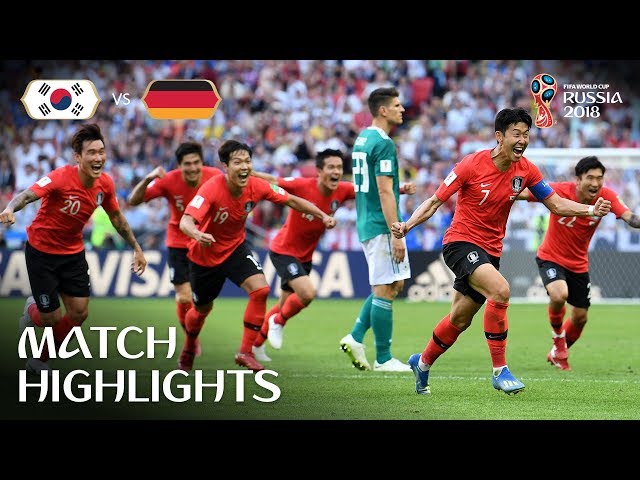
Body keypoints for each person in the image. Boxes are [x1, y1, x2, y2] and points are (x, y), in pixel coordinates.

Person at [390, 107, 612, 395]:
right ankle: (500, 371)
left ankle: (422, 362)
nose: (523, 140)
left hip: (491, 252)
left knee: (460, 318)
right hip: (460, 243)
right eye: (516, 134)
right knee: (501, 291)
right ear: (499, 136)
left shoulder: (527, 170)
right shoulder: (471, 164)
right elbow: (434, 201)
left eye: (526, 134)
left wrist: (591, 210)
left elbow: (556, 204)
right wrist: (407, 225)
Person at [177, 139, 336, 372]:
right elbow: (186, 221)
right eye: (237, 162)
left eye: (248, 161)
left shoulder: (257, 185)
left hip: (235, 249)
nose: (244, 167)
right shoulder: (212, 188)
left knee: (260, 290)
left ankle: (245, 352)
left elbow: (291, 200)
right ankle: (189, 347)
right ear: (225, 166)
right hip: (204, 256)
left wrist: (322, 215)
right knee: (201, 310)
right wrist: (197, 234)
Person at [0, 123, 147, 374]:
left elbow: (117, 218)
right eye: (91, 152)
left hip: (72, 253)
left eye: (101, 151)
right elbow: (27, 195)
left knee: (79, 313)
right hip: (42, 252)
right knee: (50, 319)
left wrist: (136, 247)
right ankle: (31, 310)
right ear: (78, 157)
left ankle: (39, 360)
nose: (98, 157)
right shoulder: (60, 177)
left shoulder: (105, 185)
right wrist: (10, 208)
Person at [250, 148, 416, 362]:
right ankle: (278, 322)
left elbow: (370, 190)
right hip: (284, 250)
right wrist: (248, 172)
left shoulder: (342, 189)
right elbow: (274, 180)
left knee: (284, 305)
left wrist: (401, 189)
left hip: (305, 256)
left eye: (339, 167)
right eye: (331, 167)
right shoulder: (302, 185)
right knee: (307, 293)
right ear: (319, 171)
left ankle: (256, 345)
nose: (336, 171)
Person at [517, 155, 639, 370]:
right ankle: (558, 343)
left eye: (599, 178)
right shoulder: (559, 191)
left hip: (578, 264)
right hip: (550, 257)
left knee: (580, 317)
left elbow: (631, 218)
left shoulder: (606, 197)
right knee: (559, 294)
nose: (595, 183)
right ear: (578, 179)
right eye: (590, 177)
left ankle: (556, 352)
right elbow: (524, 193)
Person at [339, 86, 413, 373]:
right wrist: (396, 233)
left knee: (394, 284)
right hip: (381, 224)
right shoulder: (383, 143)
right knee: (385, 287)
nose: (402, 109)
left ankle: (356, 336)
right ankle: (384, 358)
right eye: (397, 105)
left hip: (367, 220)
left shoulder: (363, 138)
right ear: (383, 110)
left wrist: (399, 189)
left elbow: (377, 185)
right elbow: (383, 191)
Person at [128, 141, 222, 357]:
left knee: (204, 301)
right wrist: (148, 178)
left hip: (205, 243)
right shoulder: (169, 180)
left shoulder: (215, 176)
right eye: (187, 164)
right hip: (178, 244)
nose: (192, 168)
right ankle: (191, 340)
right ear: (179, 166)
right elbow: (133, 201)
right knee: (184, 296)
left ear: (202, 162)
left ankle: (192, 335)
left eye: (196, 162)